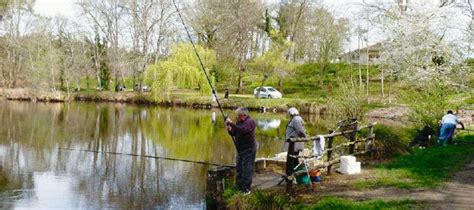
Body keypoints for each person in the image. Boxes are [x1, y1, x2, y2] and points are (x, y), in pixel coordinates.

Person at [225, 107, 257, 195]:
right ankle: (239, 186)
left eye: (238, 116)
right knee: (239, 167)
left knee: (247, 168)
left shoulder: (250, 122)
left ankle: (246, 189)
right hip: (240, 149)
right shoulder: (239, 122)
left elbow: (242, 130)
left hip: (249, 149)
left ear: (244, 115)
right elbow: (235, 133)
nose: (237, 117)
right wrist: (230, 130)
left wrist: (231, 124)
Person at [284, 107, 306, 176]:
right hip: (293, 144)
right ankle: (294, 174)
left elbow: (300, 131)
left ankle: (290, 174)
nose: (289, 115)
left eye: (289, 113)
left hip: (294, 144)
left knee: (291, 159)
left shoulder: (296, 119)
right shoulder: (295, 119)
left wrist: (304, 137)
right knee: (294, 159)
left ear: (292, 113)